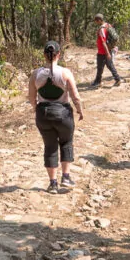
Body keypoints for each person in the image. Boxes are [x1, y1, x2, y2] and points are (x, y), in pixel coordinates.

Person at [29, 41, 85, 193]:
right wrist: (80, 110)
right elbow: (75, 96)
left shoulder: (35, 74)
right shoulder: (65, 73)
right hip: (63, 114)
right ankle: (65, 177)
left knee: (50, 146)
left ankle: (52, 183)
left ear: (44, 55)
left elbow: (31, 97)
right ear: (59, 54)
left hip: (43, 114)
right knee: (66, 143)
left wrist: (37, 110)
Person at [91, 13, 123, 87]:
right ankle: (117, 79)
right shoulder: (108, 25)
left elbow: (103, 42)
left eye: (96, 21)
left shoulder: (102, 29)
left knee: (100, 67)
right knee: (110, 65)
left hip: (103, 51)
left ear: (99, 20)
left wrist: (107, 53)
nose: (95, 22)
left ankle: (97, 81)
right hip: (108, 49)